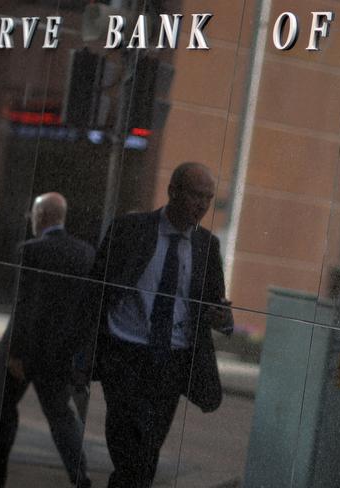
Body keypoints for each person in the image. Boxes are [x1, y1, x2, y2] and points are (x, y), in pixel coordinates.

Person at [88, 162, 234, 488]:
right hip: (125, 351)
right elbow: (96, 287)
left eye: (208, 198)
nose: (202, 205)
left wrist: (223, 320)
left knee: (148, 449)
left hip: (172, 360)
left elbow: (215, 304)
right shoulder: (130, 229)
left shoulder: (207, 246)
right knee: (128, 444)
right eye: (196, 195)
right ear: (172, 192)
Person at [0, 193, 95, 488]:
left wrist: (16, 352)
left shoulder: (31, 250)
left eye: (32, 215)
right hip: (59, 353)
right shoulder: (85, 253)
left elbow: (25, 306)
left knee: (2, 414)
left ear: (41, 216)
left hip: (23, 349)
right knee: (61, 416)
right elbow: (85, 310)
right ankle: (81, 476)